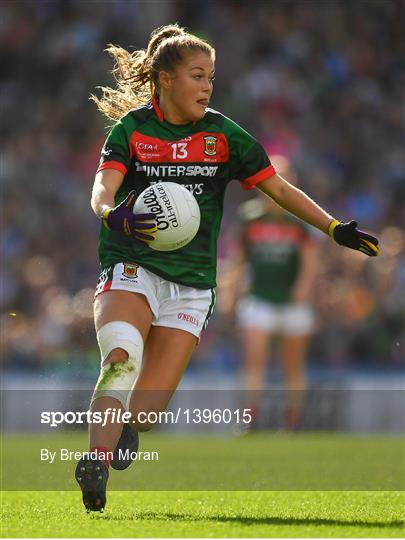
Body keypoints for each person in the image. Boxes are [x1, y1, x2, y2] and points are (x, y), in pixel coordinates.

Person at [75, 23, 380, 513]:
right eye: (197, 75)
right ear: (165, 79)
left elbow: (278, 189)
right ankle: (94, 463)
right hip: (130, 263)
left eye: (211, 78)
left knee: (149, 411)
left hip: (191, 285)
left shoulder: (223, 135)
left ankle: (130, 426)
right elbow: (101, 191)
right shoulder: (130, 130)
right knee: (122, 355)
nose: (207, 86)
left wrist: (332, 227)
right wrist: (113, 214)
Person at [234, 156, 319, 431]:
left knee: (291, 365)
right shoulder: (249, 216)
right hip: (259, 297)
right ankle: (251, 419)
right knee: (254, 357)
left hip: (292, 302)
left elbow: (311, 259)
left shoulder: (300, 219)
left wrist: (303, 288)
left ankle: (293, 419)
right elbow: (240, 257)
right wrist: (233, 288)